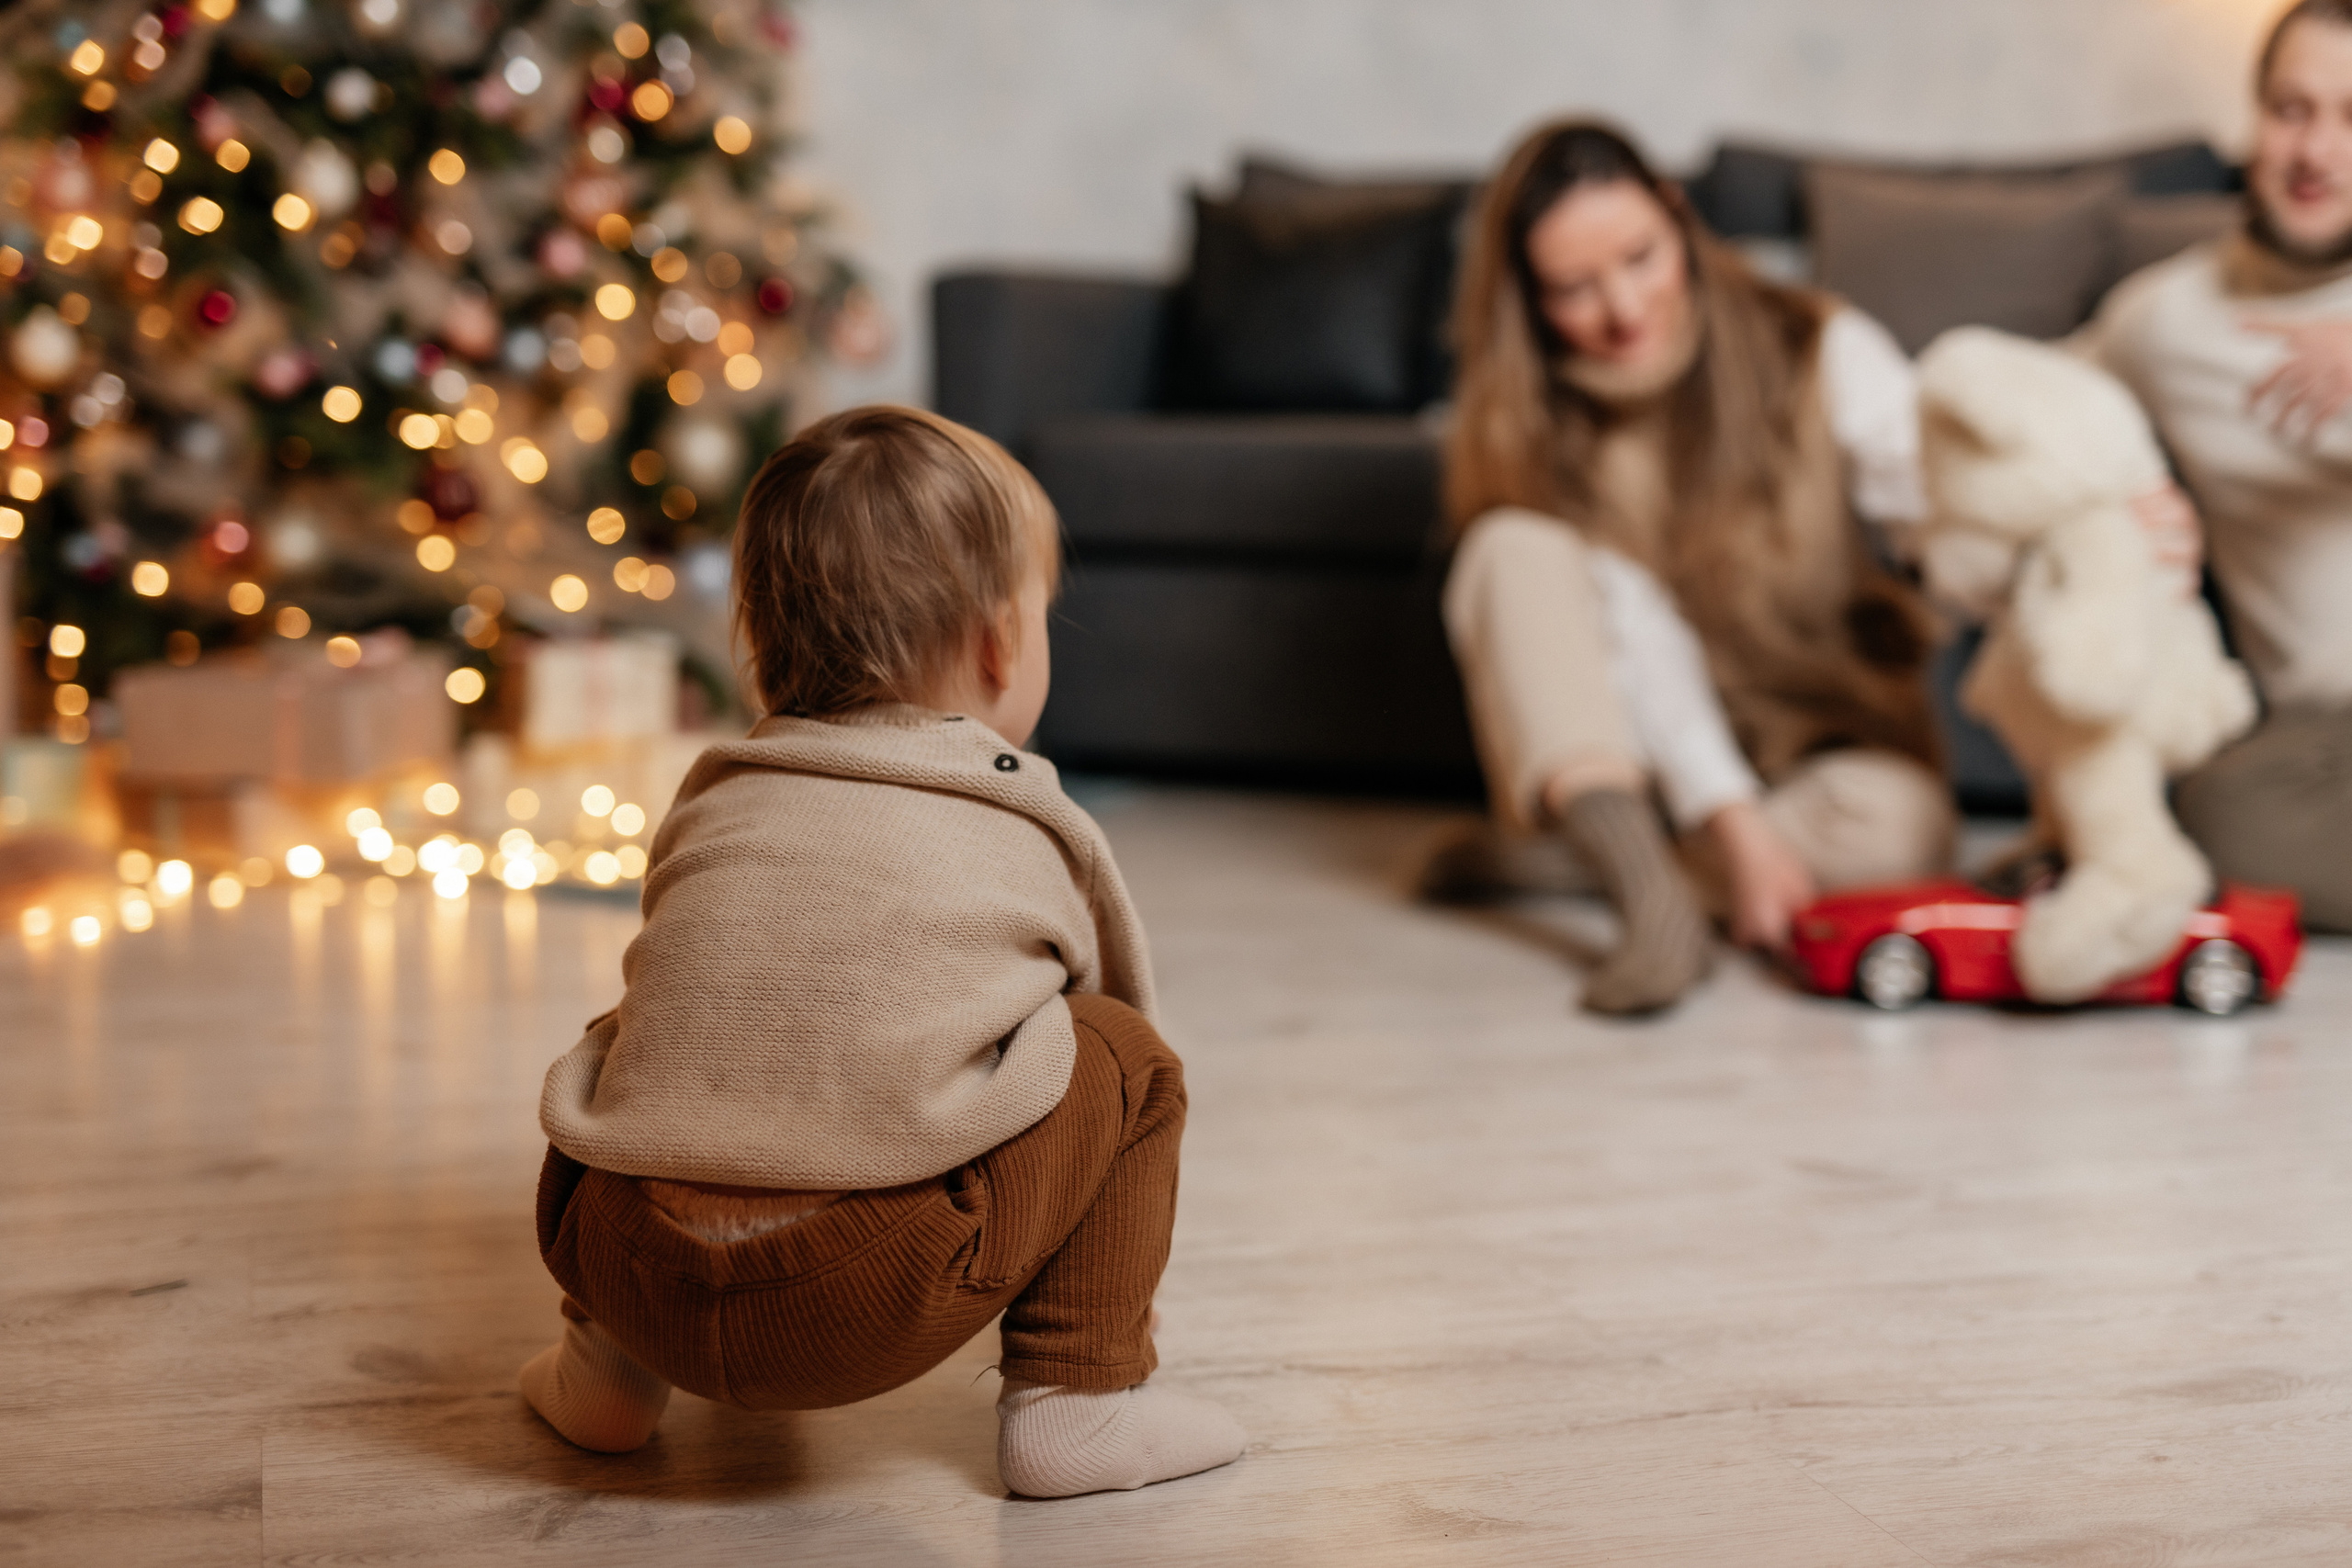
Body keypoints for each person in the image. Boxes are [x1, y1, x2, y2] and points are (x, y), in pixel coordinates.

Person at [519, 405, 1247, 1498]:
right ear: (1003, 640)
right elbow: (1113, 1022)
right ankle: (1079, 1403)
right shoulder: (1025, 813)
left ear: (762, 652)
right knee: (1128, 1061)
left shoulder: (715, 792)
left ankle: (606, 1372)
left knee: (635, 1037)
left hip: (636, 1270)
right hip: (859, 1303)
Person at [1438, 120, 1954, 1015]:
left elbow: (1940, 505)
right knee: (1506, 552)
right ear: (1525, 295)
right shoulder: (1532, 426)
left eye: (1640, 257)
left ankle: (1595, 858)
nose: (1624, 310)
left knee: (1899, 832)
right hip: (1641, 747)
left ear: (1679, 219)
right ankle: (1650, 897)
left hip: (1819, 751)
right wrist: (1739, 831)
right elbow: (1642, 643)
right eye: (1573, 287)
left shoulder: (1818, 345)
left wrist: (2085, 522)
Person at [2080, 0, 2352, 931]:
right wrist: (2115, 499)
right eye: (2291, 110)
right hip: (2321, 744)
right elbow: (2015, 411)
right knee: (2218, 810)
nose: (2315, 151)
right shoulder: (2164, 319)